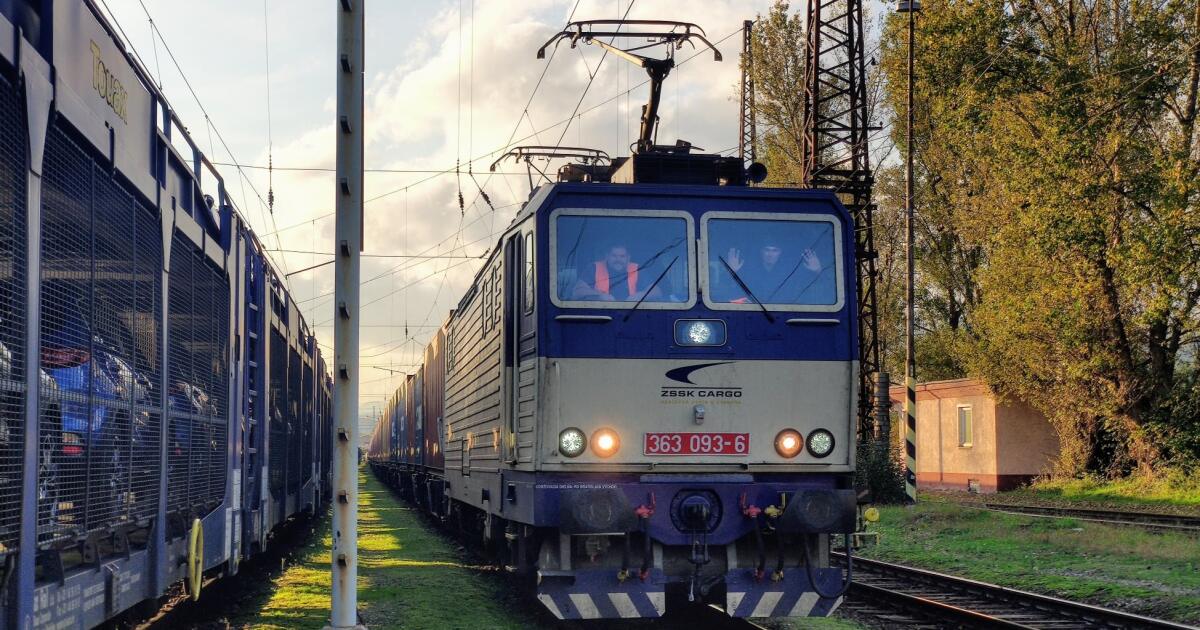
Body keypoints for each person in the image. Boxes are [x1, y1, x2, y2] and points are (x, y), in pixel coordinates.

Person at [725, 237, 821, 302]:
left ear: (780, 253)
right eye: (767, 250)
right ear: (761, 252)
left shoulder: (790, 272)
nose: (770, 254)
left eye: (775, 250)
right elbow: (728, 292)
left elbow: (808, 289)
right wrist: (732, 273)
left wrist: (817, 271)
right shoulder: (747, 271)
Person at [571, 244, 662, 302]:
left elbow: (657, 292)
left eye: (622, 256)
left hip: (632, 314)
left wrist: (640, 295)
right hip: (600, 315)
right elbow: (577, 292)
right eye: (614, 256)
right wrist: (599, 296)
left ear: (628, 257)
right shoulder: (594, 268)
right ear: (607, 256)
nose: (618, 260)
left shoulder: (637, 269)